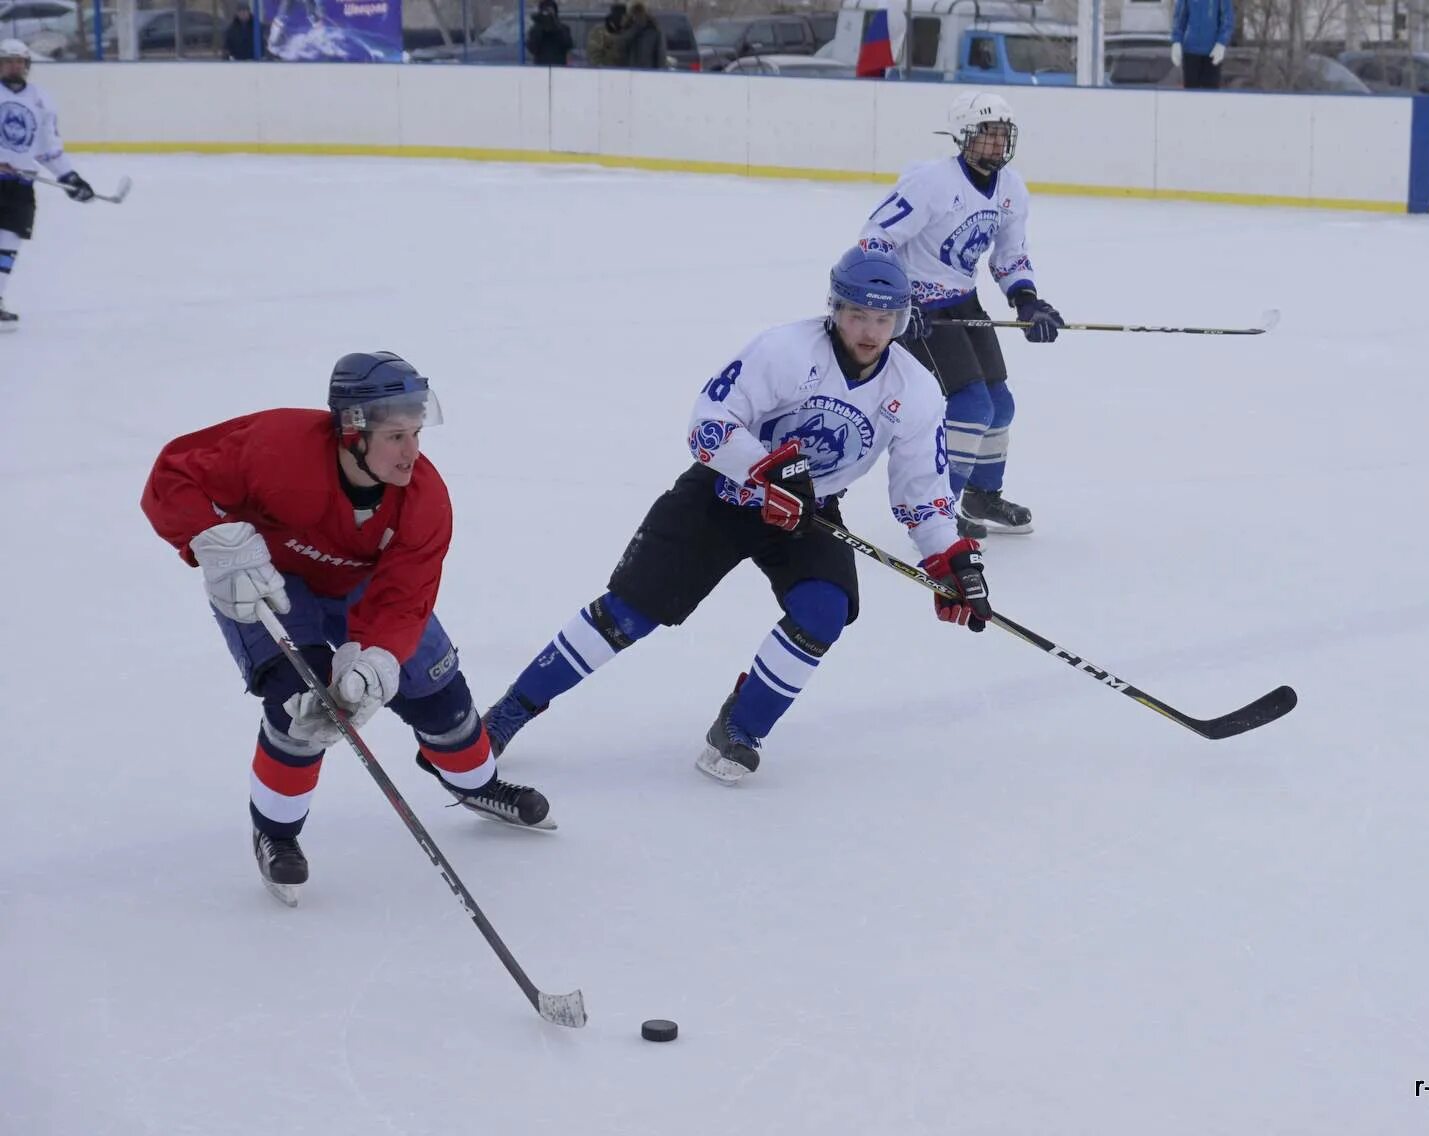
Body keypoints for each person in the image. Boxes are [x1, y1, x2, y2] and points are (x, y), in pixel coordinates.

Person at [483, 249, 995, 784]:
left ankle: (740, 727)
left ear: (902, 319)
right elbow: (708, 422)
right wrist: (766, 468)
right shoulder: (785, 351)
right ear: (834, 308)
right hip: (721, 497)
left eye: (883, 318)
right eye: (857, 315)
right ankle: (510, 711)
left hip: (807, 513)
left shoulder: (914, 390)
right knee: (626, 614)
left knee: (824, 611)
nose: (870, 331)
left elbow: (922, 494)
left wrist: (950, 559)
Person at [141, 353, 553, 905]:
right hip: (266, 579)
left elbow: (404, 598)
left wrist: (378, 658)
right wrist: (210, 538)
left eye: (417, 433)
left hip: (365, 586)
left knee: (440, 697)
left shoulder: (424, 500)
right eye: (397, 436)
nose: (413, 451)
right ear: (353, 431)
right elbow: (175, 473)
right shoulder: (275, 445)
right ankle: (276, 834)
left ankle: (477, 785)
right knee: (300, 704)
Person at [857, 90, 1063, 540]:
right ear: (964, 137)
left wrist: (1028, 300)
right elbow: (875, 239)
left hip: (964, 302)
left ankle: (981, 496)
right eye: (988, 135)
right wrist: (896, 304)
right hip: (920, 308)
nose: (997, 144)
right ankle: (940, 511)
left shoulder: (1011, 189)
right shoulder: (930, 182)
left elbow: (1010, 254)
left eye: (1003, 134)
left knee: (1000, 404)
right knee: (972, 404)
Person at [0, 38, 94, 332]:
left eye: (20, 61)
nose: (15, 66)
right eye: (8, 60)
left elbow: (47, 149)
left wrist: (70, 178)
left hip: (20, 184)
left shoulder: (41, 100)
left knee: (8, 243)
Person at [1170, 0, 1233, 90]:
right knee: (1191, 96)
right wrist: (1176, 41)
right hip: (1191, 52)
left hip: (1213, 53)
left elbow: (1227, 19)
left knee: (1210, 97)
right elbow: (1179, 17)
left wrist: (1221, 43)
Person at [618, 1, 666, 70]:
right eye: (636, 12)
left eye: (640, 11)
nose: (638, 15)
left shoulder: (653, 29)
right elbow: (620, 47)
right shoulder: (627, 28)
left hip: (646, 73)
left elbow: (660, 56)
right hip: (631, 73)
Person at [527, 0, 573, 66]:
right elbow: (532, 49)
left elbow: (568, 45)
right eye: (545, 11)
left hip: (559, 66)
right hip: (540, 67)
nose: (547, 14)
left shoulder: (563, 28)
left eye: (550, 11)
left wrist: (556, 26)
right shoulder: (536, 29)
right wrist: (539, 26)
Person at [586, 3, 627, 67]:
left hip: (626, 71)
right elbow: (594, 55)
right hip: (606, 70)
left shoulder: (628, 30)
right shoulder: (599, 31)